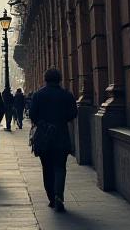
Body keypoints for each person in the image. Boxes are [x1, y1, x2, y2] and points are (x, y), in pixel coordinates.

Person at [30, 68, 78, 212]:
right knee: (60, 167)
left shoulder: (38, 95)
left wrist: (43, 123)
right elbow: (73, 114)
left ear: (45, 79)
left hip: (44, 137)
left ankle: (51, 197)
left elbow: (33, 114)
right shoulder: (66, 95)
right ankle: (59, 195)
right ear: (59, 79)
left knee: (47, 168)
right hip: (61, 135)